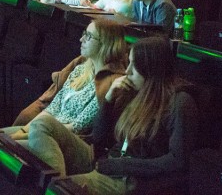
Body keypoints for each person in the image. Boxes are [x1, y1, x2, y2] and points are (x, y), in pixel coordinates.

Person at [37, 37, 197, 194]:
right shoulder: (133, 90)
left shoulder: (180, 102)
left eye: (135, 65)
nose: (127, 71)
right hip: (105, 161)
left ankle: (58, 185)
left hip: (129, 177)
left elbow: (178, 161)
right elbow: (98, 137)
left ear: (150, 69)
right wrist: (108, 99)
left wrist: (121, 166)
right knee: (42, 124)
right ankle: (57, 182)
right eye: (129, 63)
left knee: (58, 189)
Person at [3, 19, 128, 171]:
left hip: (70, 141)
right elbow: (51, 108)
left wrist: (24, 135)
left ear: (106, 44)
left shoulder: (110, 83)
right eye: (84, 34)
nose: (81, 39)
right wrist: (23, 131)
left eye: (88, 36)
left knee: (13, 149)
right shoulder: (80, 69)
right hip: (43, 130)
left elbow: (78, 126)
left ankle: (56, 185)